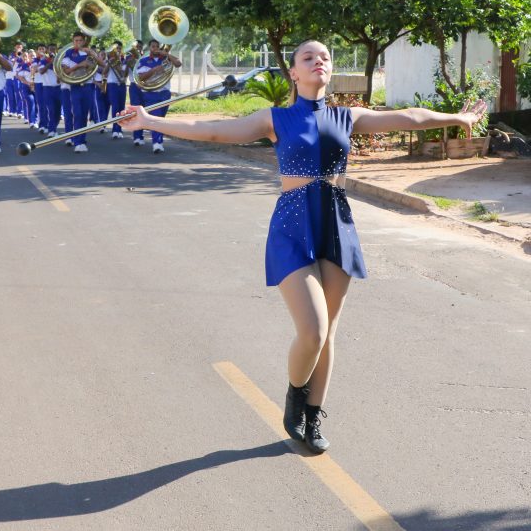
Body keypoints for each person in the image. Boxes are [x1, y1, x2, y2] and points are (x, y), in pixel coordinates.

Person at [118, 39, 487, 454]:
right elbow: (212, 130)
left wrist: (454, 116)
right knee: (311, 329)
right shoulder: (274, 119)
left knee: (328, 333)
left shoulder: (346, 116)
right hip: (293, 223)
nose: (319, 62)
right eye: (309, 58)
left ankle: (313, 415)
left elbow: (408, 116)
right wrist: (151, 120)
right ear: (293, 72)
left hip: (335, 221)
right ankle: (296, 395)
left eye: (325, 57)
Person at [135, 39, 182, 153]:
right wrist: (154, 70)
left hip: (165, 93)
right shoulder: (144, 60)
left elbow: (178, 64)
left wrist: (167, 54)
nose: (155, 48)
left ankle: (158, 140)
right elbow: (141, 77)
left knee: (161, 118)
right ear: (150, 48)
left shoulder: (166, 59)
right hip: (151, 93)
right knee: (156, 118)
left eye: (157, 46)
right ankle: (157, 143)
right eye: (153, 46)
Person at [61, 31, 104, 153]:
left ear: (84, 41)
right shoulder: (69, 54)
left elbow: (103, 65)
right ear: (73, 41)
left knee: (84, 115)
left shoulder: (89, 53)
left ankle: (81, 140)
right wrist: (80, 65)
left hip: (89, 86)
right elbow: (66, 72)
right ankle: (77, 140)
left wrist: (93, 55)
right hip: (75, 87)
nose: (78, 43)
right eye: (76, 40)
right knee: (77, 114)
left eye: (80, 40)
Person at [105, 40, 128, 139]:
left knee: (122, 108)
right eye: (116, 49)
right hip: (112, 85)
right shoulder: (110, 59)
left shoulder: (125, 59)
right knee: (115, 107)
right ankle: (115, 129)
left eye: (119, 48)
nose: (118, 50)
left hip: (122, 85)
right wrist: (109, 64)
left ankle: (120, 129)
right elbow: (104, 73)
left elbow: (125, 74)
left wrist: (121, 65)